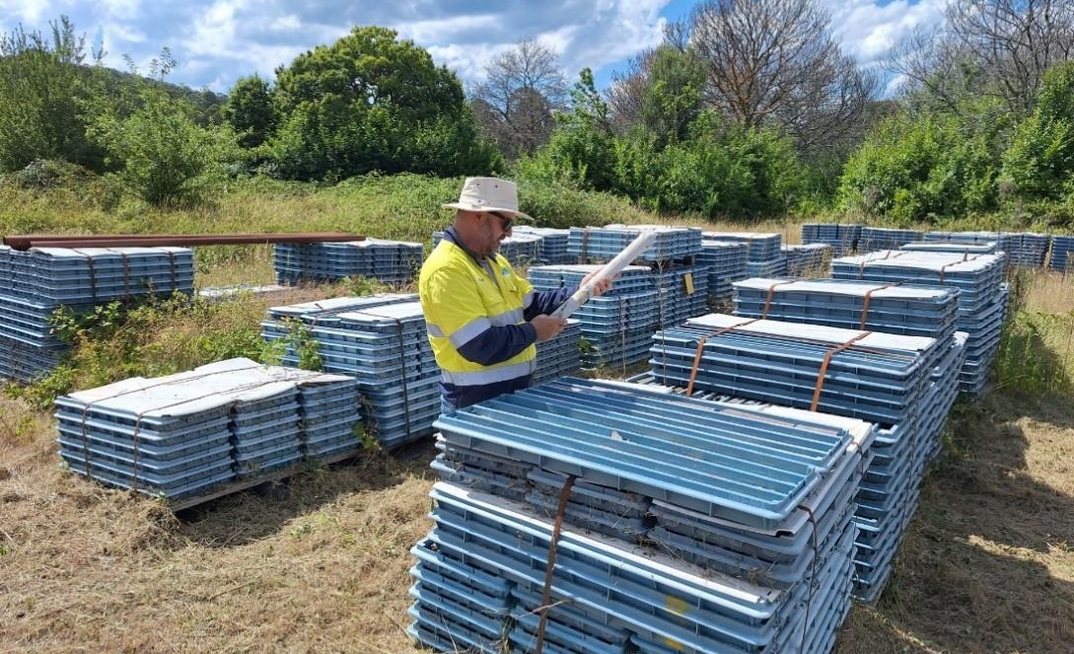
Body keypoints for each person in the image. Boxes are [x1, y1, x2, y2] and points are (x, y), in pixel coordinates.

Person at [419, 176, 611, 413]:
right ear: (478, 216)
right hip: (474, 407)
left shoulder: (495, 262)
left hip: (514, 398)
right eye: (506, 224)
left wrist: (583, 290)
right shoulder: (446, 270)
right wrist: (534, 331)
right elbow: (479, 346)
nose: (509, 234)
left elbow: (532, 305)